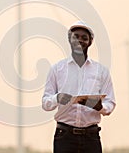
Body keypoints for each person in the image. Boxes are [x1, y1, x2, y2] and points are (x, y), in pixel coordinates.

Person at [42, 21, 116, 153]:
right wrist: (57, 98)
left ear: (90, 42)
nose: (80, 40)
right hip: (64, 136)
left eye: (84, 38)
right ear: (69, 40)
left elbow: (110, 102)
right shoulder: (57, 69)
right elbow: (46, 103)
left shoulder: (101, 71)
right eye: (76, 36)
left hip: (91, 136)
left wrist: (100, 108)